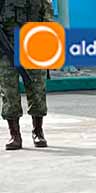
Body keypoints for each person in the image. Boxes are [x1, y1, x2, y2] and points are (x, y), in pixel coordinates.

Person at [0, 0, 52, 150]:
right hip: (7, 46)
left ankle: (38, 131)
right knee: (9, 92)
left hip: (34, 42)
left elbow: (47, 15)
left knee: (37, 89)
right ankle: (15, 135)